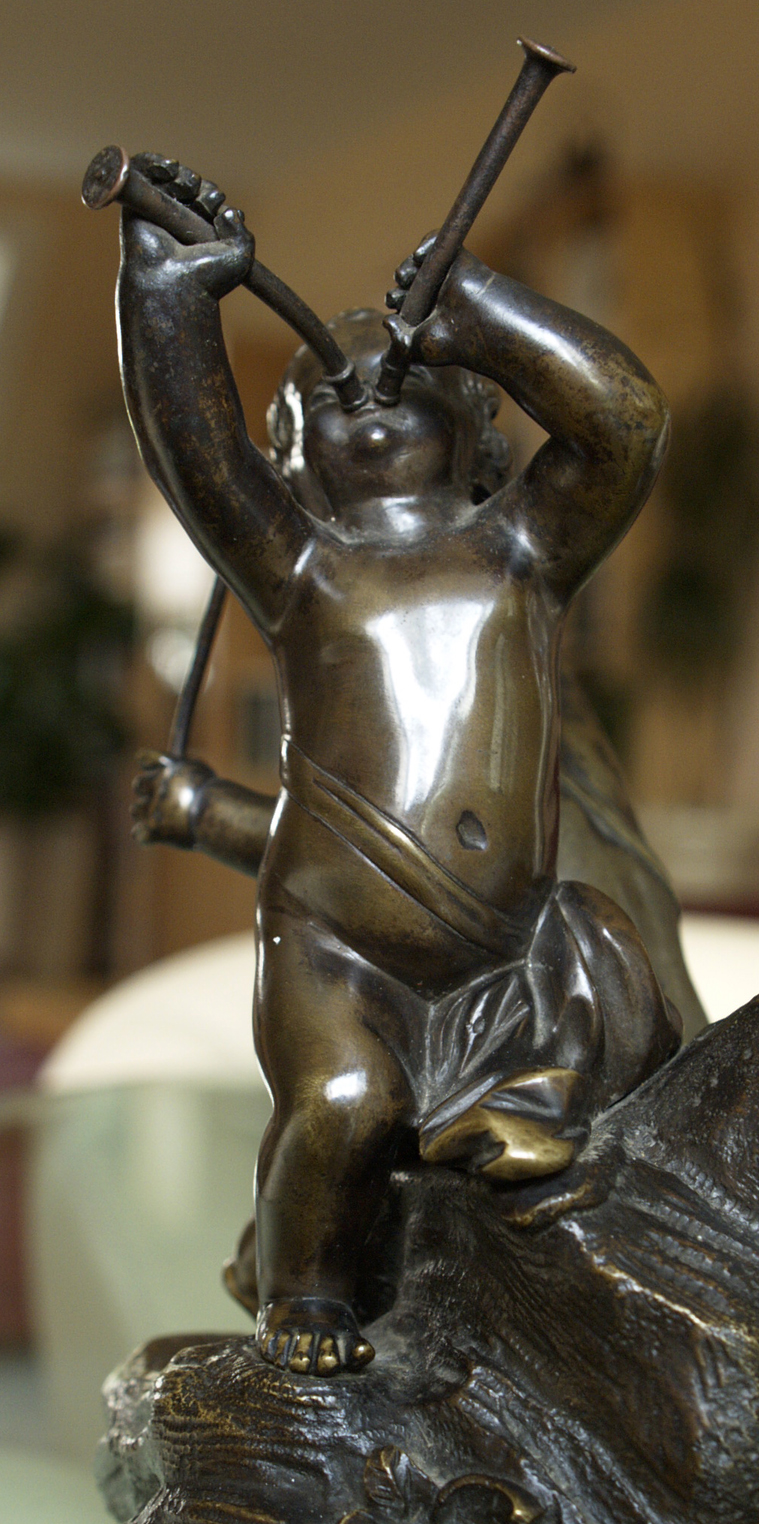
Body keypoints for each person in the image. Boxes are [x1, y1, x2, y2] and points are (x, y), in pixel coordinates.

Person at [122, 193, 679, 1377]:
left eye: (404, 373)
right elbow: (195, 456)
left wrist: (484, 311)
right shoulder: (302, 570)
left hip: (507, 958)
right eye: (326, 394)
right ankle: (304, 1295)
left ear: (477, 422)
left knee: (609, 1006)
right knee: (341, 1104)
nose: (362, 390)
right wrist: (168, 295)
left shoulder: (528, 549)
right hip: (339, 957)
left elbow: (625, 425)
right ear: (292, 457)